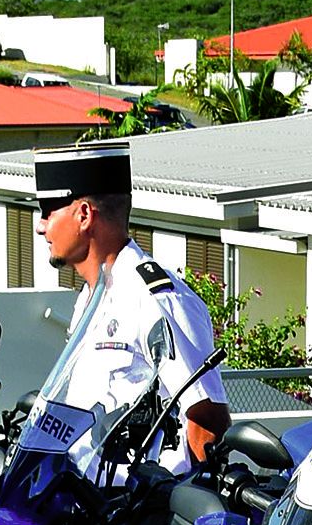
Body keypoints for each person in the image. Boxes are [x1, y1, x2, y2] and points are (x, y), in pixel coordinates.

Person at [27, 145, 226, 466]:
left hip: (127, 502)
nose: (41, 225)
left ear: (83, 215)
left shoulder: (155, 297)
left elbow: (206, 417)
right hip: (80, 495)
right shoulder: (92, 297)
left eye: (48, 211)